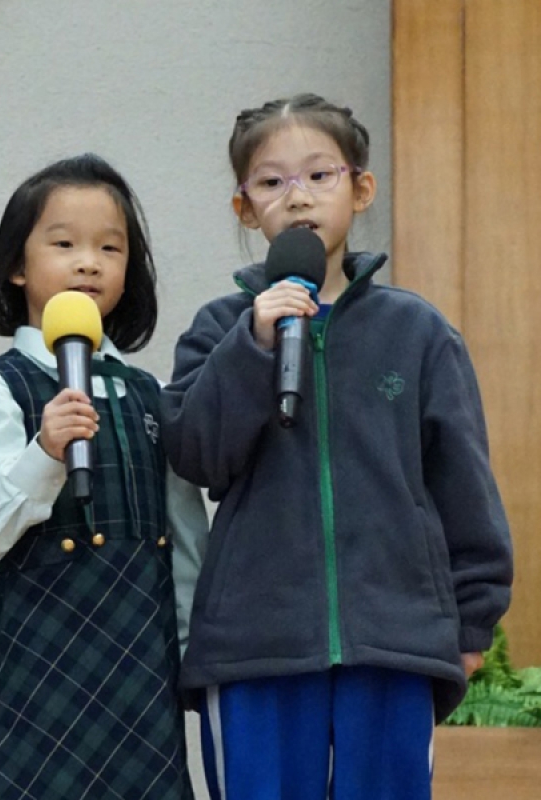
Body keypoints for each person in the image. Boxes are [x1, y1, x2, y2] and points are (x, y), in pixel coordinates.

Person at [161, 93, 514, 800]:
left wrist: (472, 618)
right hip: (255, 647)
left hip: (395, 640)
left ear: (361, 188)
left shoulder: (416, 332)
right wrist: (253, 346)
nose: (298, 198)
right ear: (244, 208)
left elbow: (462, 480)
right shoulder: (222, 328)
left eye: (320, 175)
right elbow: (196, 454)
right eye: (271, 182)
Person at [0, 153, 207, 800]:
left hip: (143, 664)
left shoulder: (151, 395)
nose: (88, 262)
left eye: (109, 248)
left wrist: (194, 651)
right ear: (16, 265)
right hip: (40, 661)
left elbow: (183, 538)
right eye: (64, 244)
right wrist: (44, 451)